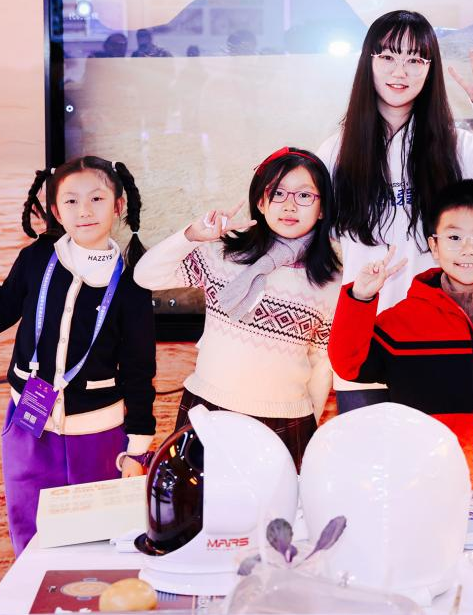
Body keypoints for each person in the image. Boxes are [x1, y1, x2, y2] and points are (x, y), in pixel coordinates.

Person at [317, 9, 473, 411]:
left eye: (415, 59)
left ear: (430, 68)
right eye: (388, 56)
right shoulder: (337, 151)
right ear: (368, 61)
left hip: (435, 349)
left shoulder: (458, 147)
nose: (400, 71)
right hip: (361, 353)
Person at [0, 157, 156, 555]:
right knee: (31, 540)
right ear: (55, 210)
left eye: (97, 198)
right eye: (71, 201)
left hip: (100, 436)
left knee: (100, 544)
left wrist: (138, 449)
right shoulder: (36, 259)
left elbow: (139, 370)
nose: (84, 211)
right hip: (28, 426)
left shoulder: (132, 279)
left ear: (118, 205)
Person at [330, 179, 473, 492]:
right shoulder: (402, 322)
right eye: (454, 237)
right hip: (426, 490)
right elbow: (348, 365)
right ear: (434, 246)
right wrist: (360, 298)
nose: (468, 249)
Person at [134, 147, 340, 468]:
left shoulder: (330, 280)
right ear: (261, 201)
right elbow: (146, 275)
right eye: (277, 193)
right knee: (200, 500)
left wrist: (309, 423)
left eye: (304, 195)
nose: (289, 205)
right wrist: (192, 236)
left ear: (323, 207)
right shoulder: (224, 253)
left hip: (285, 419)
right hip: (208, 408)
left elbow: (321, 361)